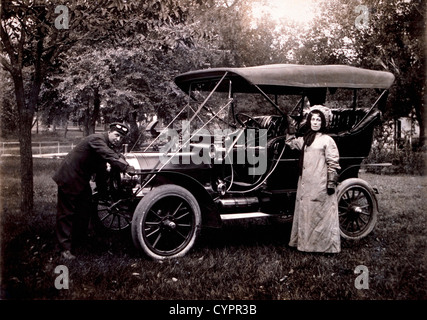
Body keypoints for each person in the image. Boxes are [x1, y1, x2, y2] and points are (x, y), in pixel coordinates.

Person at [53, 122, 135, 260]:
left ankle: (79, 242)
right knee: (66, 214)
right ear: (109, 132)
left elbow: (101, 170)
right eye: (116, 135)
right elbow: (108, 154)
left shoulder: (106, 145)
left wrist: (104, 193)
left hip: (81, 179)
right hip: (69, 177)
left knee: (84, 210)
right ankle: (63, 249)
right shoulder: (97, 139)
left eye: (121, 137)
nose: (118, 139)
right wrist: (126, 167)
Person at [286, 107, 341, 253]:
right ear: (309, 121)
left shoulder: (327, 140)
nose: (315, 122)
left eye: (318, 119)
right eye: (313, 119)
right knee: (306, 213)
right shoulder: (305, 139)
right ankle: (304, 245)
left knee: (320, 214)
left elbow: (333, 163)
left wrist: (330, 182)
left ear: (322, 122)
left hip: (320, 182)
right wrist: (291, 129)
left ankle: (324, 247)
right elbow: (291, 143)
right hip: (305, 182)